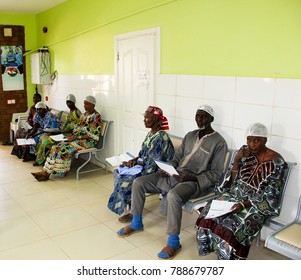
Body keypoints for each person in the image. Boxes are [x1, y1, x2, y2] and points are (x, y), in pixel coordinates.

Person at [117, 105, 228, 260]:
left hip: (195, 181)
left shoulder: (219, 142)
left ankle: (173, 241)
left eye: (204, 116)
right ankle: (136, 222)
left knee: (173, 196)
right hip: (175, 175)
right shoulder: (190, 135)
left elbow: (216, 173)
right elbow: (177, 158)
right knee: (139, 182)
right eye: (197, 115)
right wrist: (168, 168)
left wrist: (191, 178)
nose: (200, 119)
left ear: (211, 119)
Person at [195, 123, 287, 260]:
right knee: (208, 213)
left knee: (233, 226)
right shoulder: (244, 153)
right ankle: (215, 250)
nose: (251, 144)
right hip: (235, 194)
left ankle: (229, 258)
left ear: (265, 140)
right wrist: (237, 159)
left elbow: (272, 196)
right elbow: (231, 182)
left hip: (258, 204)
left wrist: (244, 204)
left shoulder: (278, 162)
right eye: (249, 140)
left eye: (256, 140)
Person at [107, 106, 175, 220]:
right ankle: (128, 205)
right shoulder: (151, 134)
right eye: (144, 117)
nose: (144, 120)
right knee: (118, 172)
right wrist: (134, 160)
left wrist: (137, 164)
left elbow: (153, 163)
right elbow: (144, 153)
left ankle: (134, 212)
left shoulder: (161, 137)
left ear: (157, 120)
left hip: (158, 172)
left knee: (125, 179)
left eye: (147, 118)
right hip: (146, 166)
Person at [31, 95, 102, 181]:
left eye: (87, 104)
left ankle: (47, 174)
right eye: (84, 103)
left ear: (93, 105)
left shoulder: (96, 117)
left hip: (87, 142)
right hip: (76, 139)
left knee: (63, 149)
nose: (84, 106)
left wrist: (76, 137)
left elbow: (93, 135)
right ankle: (45, 171)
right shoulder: (83, 115)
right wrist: (70, 136)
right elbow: (76, 128)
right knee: (55, 147)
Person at [33, 94, 82, 166]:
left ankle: (41, 160)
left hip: (70, 134)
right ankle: (40, 159)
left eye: (70, 102)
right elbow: (65, 125)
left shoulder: (77, 112)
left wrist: (69, 130)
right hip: (62, 132)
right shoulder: (70, 112)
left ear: (74, 102)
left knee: (45, 142)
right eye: (67, 102)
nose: (68, 104)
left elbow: (80, 124)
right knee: (43, 140)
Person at [11, 93, 42, 159]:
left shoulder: (42, 107)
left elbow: (41, 121)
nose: (35, 99)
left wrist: (33, 126)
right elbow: (29, 117)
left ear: (40, 99)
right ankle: (19, 152)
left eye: (37, 98)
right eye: (34, 98)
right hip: (31, 125)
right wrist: (29, 123)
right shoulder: (32, 108)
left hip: (37, 127)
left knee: (26, 134)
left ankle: (27, 154)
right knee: (19, 131)